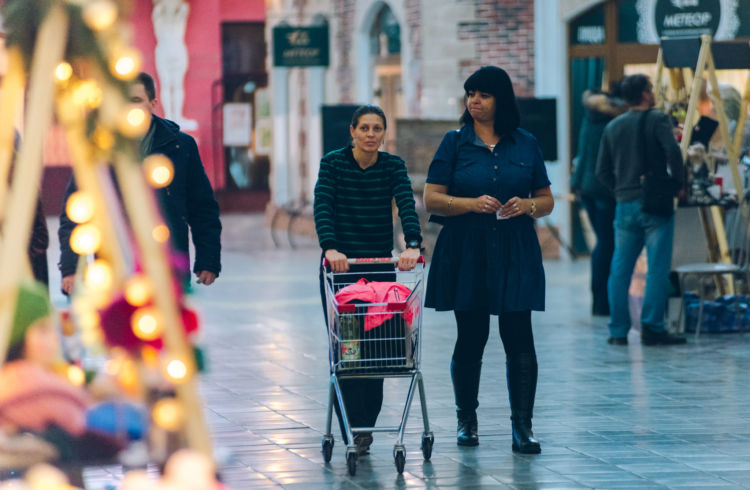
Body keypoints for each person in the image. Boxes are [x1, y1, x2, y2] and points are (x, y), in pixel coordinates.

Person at [423, 66, 553, 454]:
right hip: (468, 249)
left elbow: (545, 200)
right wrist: (470, 204)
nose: (474, 101)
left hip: (515, 249)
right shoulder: (454, 143)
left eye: (483, 95)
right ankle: (467, 421)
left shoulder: (525, 143)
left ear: (501, 100)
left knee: (520, 338)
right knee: (472, 337)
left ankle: (523, 427)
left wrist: (527, 204)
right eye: (470, 94)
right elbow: (431, 197)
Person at [313, 105, 422, 455]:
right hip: (342, 268)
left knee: (376, 351)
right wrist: (330, 247)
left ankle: (365, 429)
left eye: (377, 128)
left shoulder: (393, 166)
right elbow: (323, 205)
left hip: (377, 269)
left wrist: (413, 244)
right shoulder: (333, 164)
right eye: (365, 128)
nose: (371, 134)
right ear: (352, 131)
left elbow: (406, 203)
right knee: (348, 351)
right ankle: (349, 423)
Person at [59, 72, 221, 294]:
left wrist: (208, 259)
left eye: (136, 100)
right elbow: (74, 212)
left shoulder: (180, 146)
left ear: (153, 103)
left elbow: (202, 208)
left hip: (169, 265)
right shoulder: (99, 149)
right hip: (114, 268)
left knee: (169, 328)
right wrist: (70, 268)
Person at [595, 73, 686, 346]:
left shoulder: (613, 126)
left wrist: (621, 189)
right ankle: (652, 327)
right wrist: (677, 184)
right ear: (646, 94)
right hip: (655, 203)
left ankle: (618, 331)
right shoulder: (658, 119)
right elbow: (673, 152)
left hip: (624, 205)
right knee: (657, 268)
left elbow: (601, 171)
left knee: (620, 268)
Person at [571, 87, 626, 316]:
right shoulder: (611, 123)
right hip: (604, 189)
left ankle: (600, 302)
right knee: (607, 244)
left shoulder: (589, 117)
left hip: (586, 187)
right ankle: (603, 303)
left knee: (602, 244)